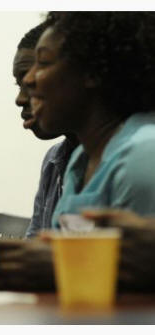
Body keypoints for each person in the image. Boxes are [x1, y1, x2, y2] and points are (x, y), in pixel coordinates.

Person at [23, 12, 155, 229]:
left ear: (92, 73)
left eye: (44, 63)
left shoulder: (143, 156)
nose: (29, 79)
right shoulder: (81, 159)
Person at [13, 22, 78, 238]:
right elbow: (36, 247)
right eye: (20, 84)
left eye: (39, 72)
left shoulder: (131, 156)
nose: (21, 98)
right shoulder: (54, 160)